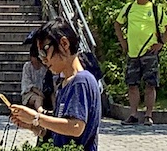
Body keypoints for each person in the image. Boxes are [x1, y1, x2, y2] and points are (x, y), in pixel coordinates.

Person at [9, 19, 101, 151]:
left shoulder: (81, 81)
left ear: (64, 43)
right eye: (39, 55)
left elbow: (76, 127)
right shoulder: (64, 84)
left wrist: (36, 117)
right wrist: (33, 126)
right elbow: (61, 133)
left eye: (44, 52)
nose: (43, 60)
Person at [113, 0, 167, 126]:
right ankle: (133, 115)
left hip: (149, 52)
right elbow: (117, 24)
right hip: (132, 53)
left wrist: (161, 43)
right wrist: (123, 42)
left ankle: (148, 115)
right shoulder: (128, 7)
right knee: (132, 84)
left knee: (150, 84)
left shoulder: (154, 9)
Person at [21, 33, 48, 110]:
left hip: (44, 91)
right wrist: (38, 92)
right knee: (38, 98)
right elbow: (28, 84)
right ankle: (40, 113)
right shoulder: (27, 66)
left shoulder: (44, 67)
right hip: (29, 93)